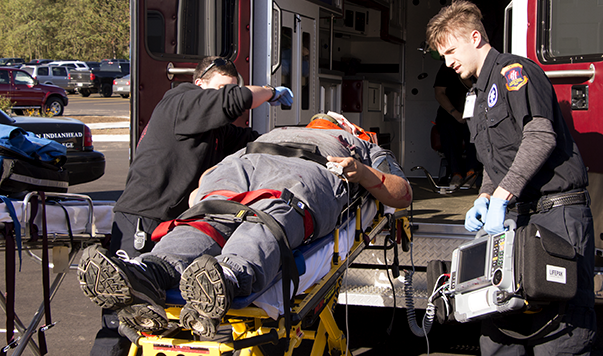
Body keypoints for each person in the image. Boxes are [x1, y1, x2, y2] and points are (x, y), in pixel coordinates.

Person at [78, 115, 412, 340]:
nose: (328, 117)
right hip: (247, 162)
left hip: (314, 168)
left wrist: (364, 174)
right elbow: (198, 194)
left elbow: (402, 194)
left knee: (272, 212)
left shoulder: (362, 146)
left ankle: (227, 276)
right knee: (207, 215)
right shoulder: (278, 130)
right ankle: (149, 272)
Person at [92, 56, 293, 356]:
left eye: (230, 88)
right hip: (143, 218)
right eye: (220, 89)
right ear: (200, 83)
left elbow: (254, 143)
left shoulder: (214, 129)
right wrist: (272, 92)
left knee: (163, 317)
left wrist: (301, 145)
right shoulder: (181, 101)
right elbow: (235, 100)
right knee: (122, 316)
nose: (226, 96)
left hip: (172, 223)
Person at [426, 0, 595, 355]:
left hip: (556, 216)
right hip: (517, 220)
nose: (448, 62)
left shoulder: (514, 72)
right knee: (499, 329)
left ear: (475, 37)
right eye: (442, 56)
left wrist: (501, 197)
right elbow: (495, 160)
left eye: (451, 51)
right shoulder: (475, 95)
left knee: (558, 334)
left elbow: (540, 136)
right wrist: (485, 197)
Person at [433, 62, 480, 188]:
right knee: (447, 128)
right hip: (450, 114)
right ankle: (456, 173)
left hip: (474, 114)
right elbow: (439, 93)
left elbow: (478, 89)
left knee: (475, 131)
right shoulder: (446, 67)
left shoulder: (478, 65)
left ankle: (472, 172)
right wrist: (455, 113)